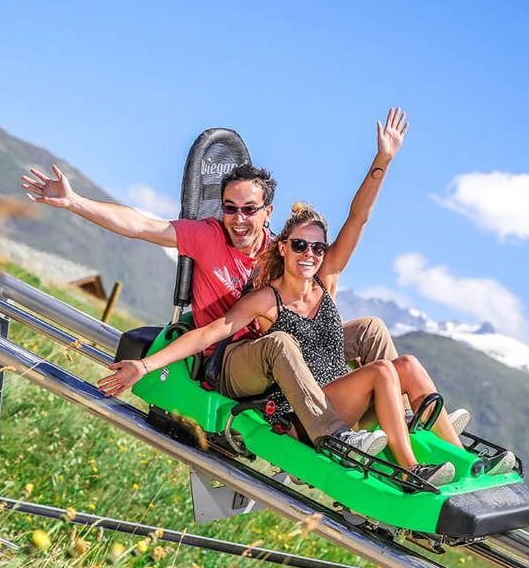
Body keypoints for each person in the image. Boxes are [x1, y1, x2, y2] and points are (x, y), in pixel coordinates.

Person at [23, 108, 413, 456]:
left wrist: (382, 160)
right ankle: (334, 438)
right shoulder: (206, 236)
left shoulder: (281, 251)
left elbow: (354, 223)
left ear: (267, 212)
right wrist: (75, 202)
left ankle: (408, 418)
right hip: (231, 359)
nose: (238, 219)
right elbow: (140, 225)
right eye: (230, 209)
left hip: (280, 355)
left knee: (367, 331)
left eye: (249, 210)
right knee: (280, 343)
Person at [99, 202, 456, 486]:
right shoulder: (267, 300)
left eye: (317, 247)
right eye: (300, 245)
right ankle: (409, 471)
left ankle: (459, 456)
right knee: (379, 371)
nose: (309, 254)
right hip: (307, 417)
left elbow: (358, 219)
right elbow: (211, 333)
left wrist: (384, 158)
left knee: (402, 361)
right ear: (283, 247)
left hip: (340, 398)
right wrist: (145, 365)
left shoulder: (323, 283)